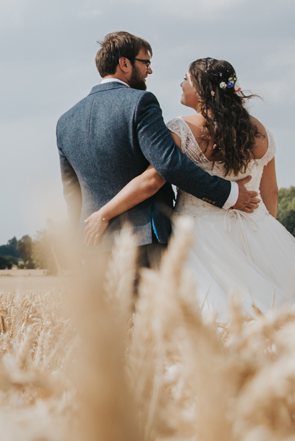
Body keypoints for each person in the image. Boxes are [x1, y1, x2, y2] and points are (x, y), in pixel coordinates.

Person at [83, 56, 295, 318]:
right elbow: (271, 192)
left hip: (199, 238)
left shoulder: (181, 129)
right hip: (259, 228)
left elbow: (152, 180)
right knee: (282, 305)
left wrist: (104, 213)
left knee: (211, 312)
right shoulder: (261, 132)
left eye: (186, 79)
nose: (180, 84)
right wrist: (264, 236)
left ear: (202, 89)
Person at [56, 33, 259, 270]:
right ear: (124, 63)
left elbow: (72, 194)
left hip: (92, 245)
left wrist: (77, 243)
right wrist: (229, 193)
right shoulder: (140, 102)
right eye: (146, 63)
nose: (149, 71)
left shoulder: (65, 121)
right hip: (143, 241)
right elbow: (169, 165)